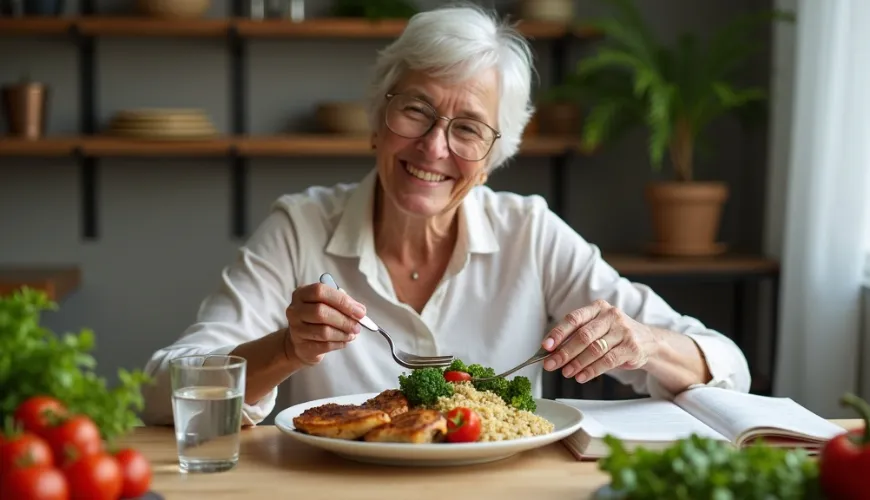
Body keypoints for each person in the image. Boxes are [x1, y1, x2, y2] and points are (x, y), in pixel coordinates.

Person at [140, 5, 751, 427]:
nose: (435, 148)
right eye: (416, 111)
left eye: (468, 129)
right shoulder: (300, 228)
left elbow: (728, 368)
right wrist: (285, 349)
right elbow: (160, 390)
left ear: (493, 156)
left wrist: (642, 344)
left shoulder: (531, 234)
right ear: (378, 119)